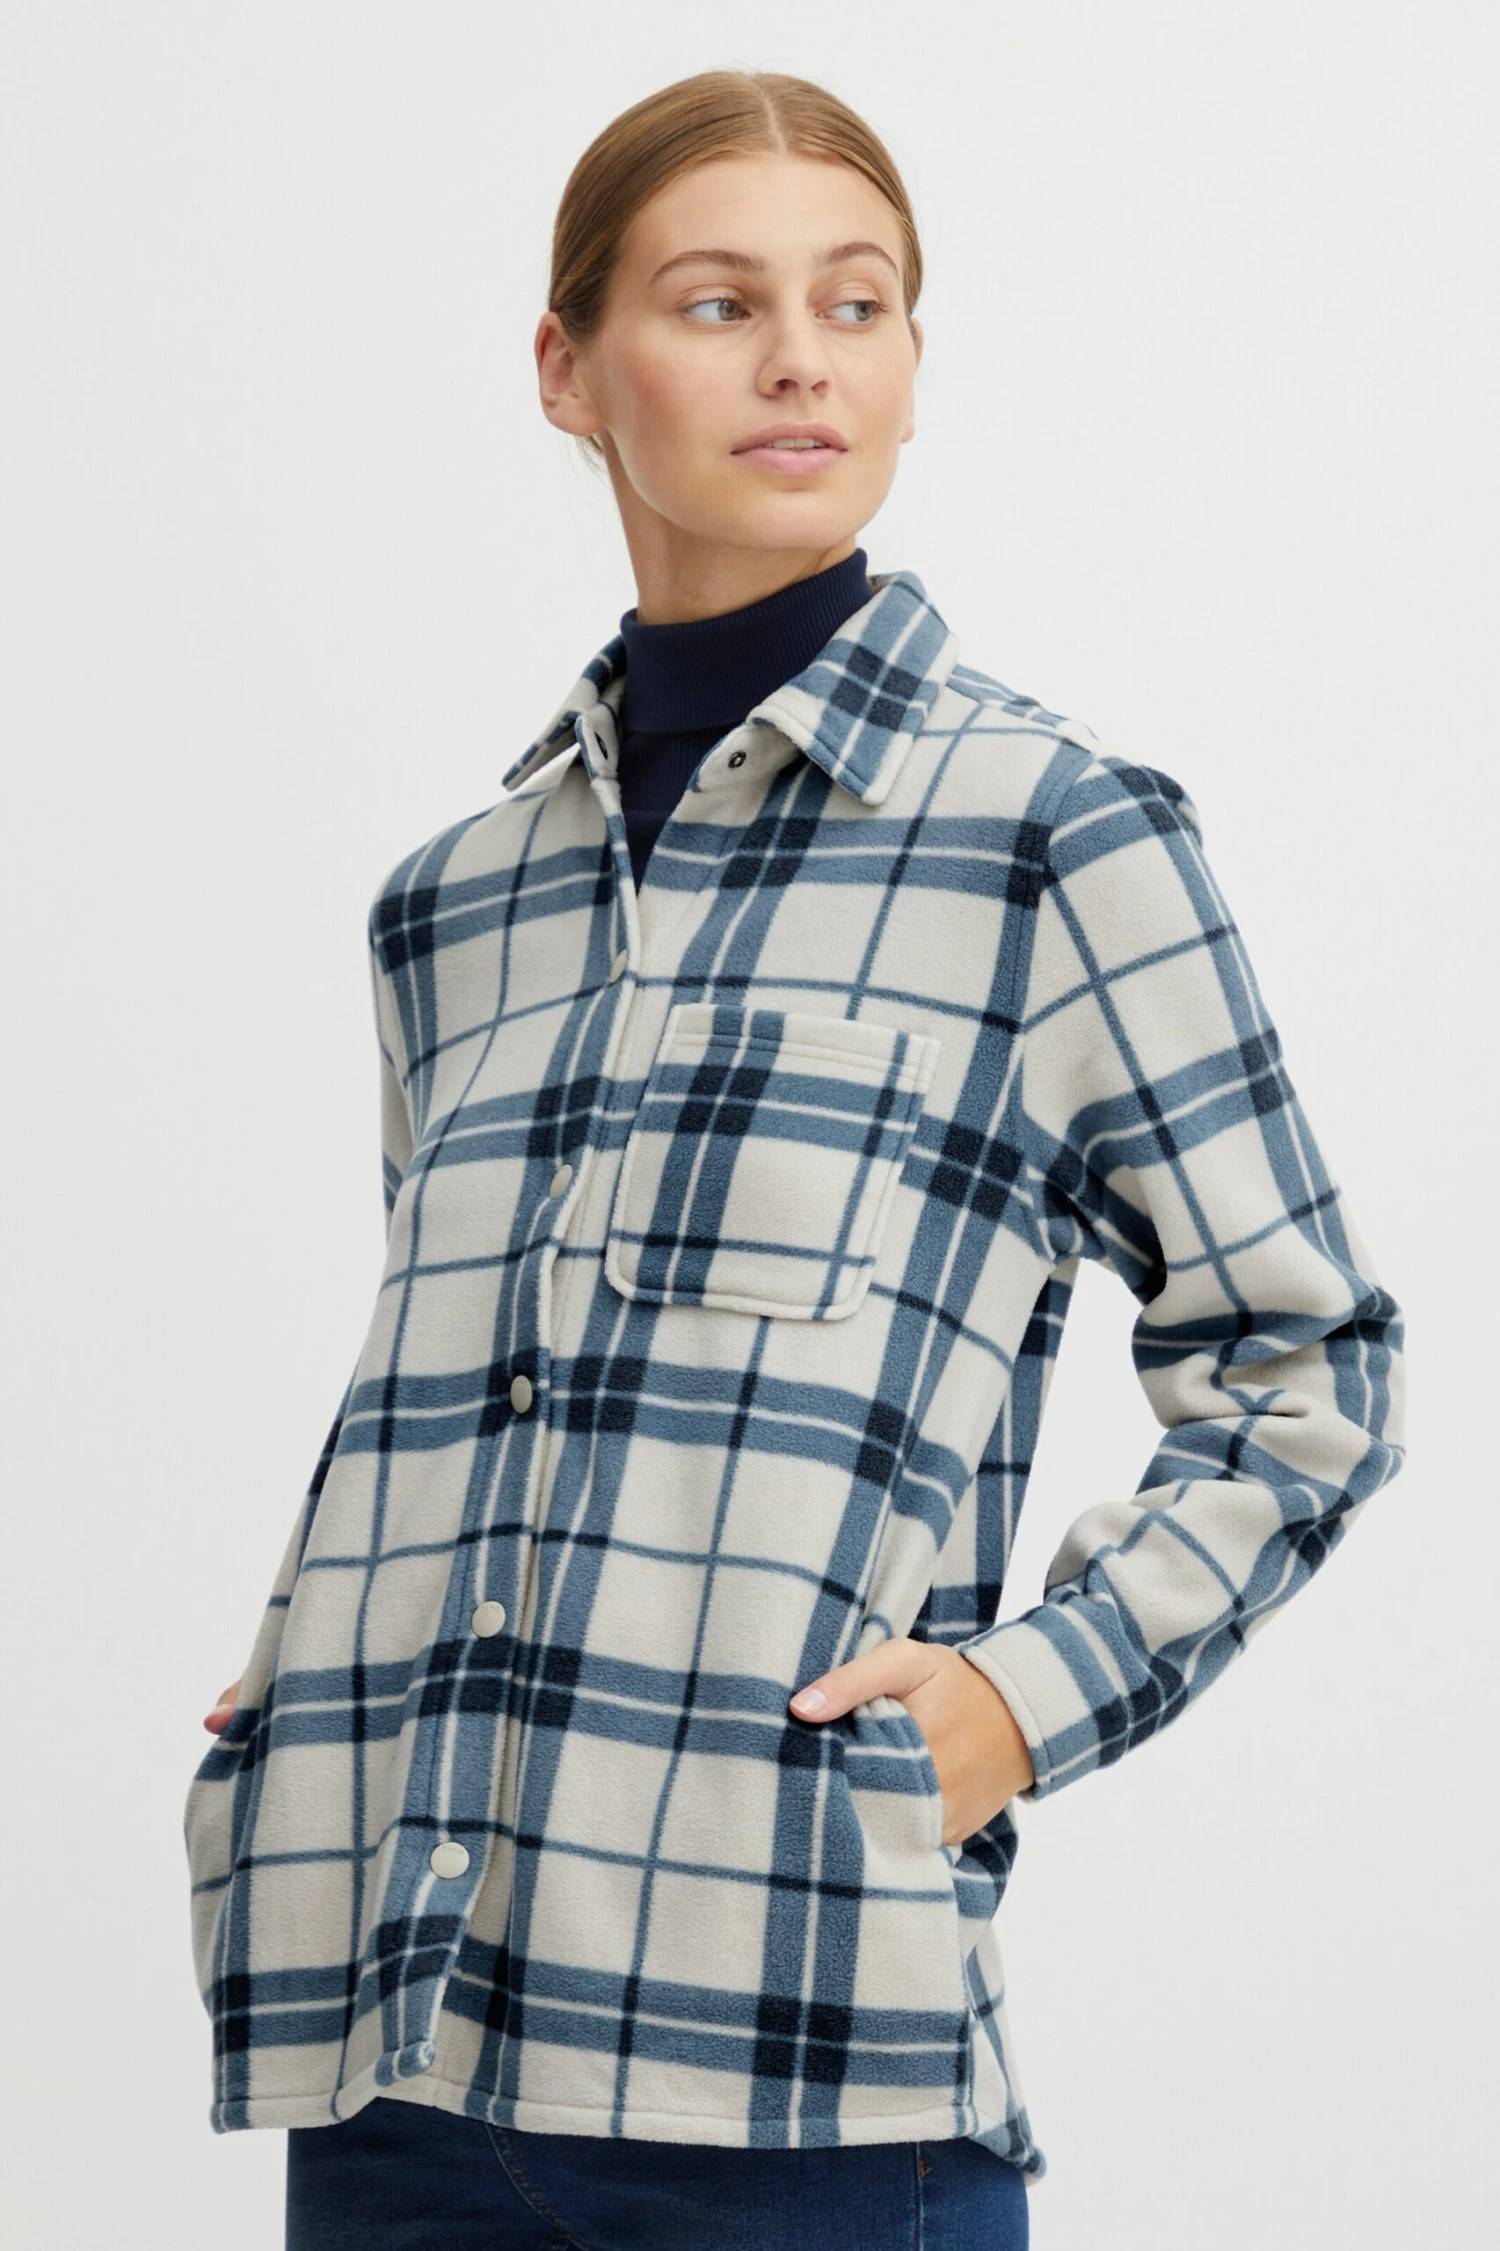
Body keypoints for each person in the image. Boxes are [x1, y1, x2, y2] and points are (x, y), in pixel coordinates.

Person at [183, 67, 1407, 2251]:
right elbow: (484, 1390)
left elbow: (1309, 1371)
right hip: (390, 2058)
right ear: (569, 369)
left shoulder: (1050, 838)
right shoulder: (452, 906)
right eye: (716, 301)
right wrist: (321, 1656)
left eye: (856, 304)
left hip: (804, 2070)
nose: (798, 362)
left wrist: (1018, 1701)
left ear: (914, 366)